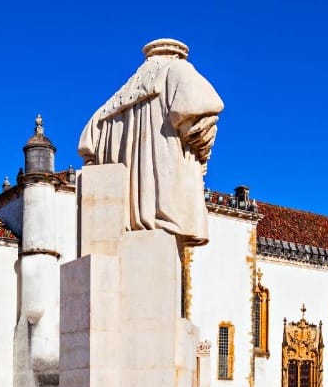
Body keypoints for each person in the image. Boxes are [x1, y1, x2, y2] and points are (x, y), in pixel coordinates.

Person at [78, 39, 224, 246]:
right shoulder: (179, 70)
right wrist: (202, 155)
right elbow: (201, 123)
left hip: (119, 229)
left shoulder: (108, 109)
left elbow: (87, 146)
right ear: (177, 55)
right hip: (165, 212)